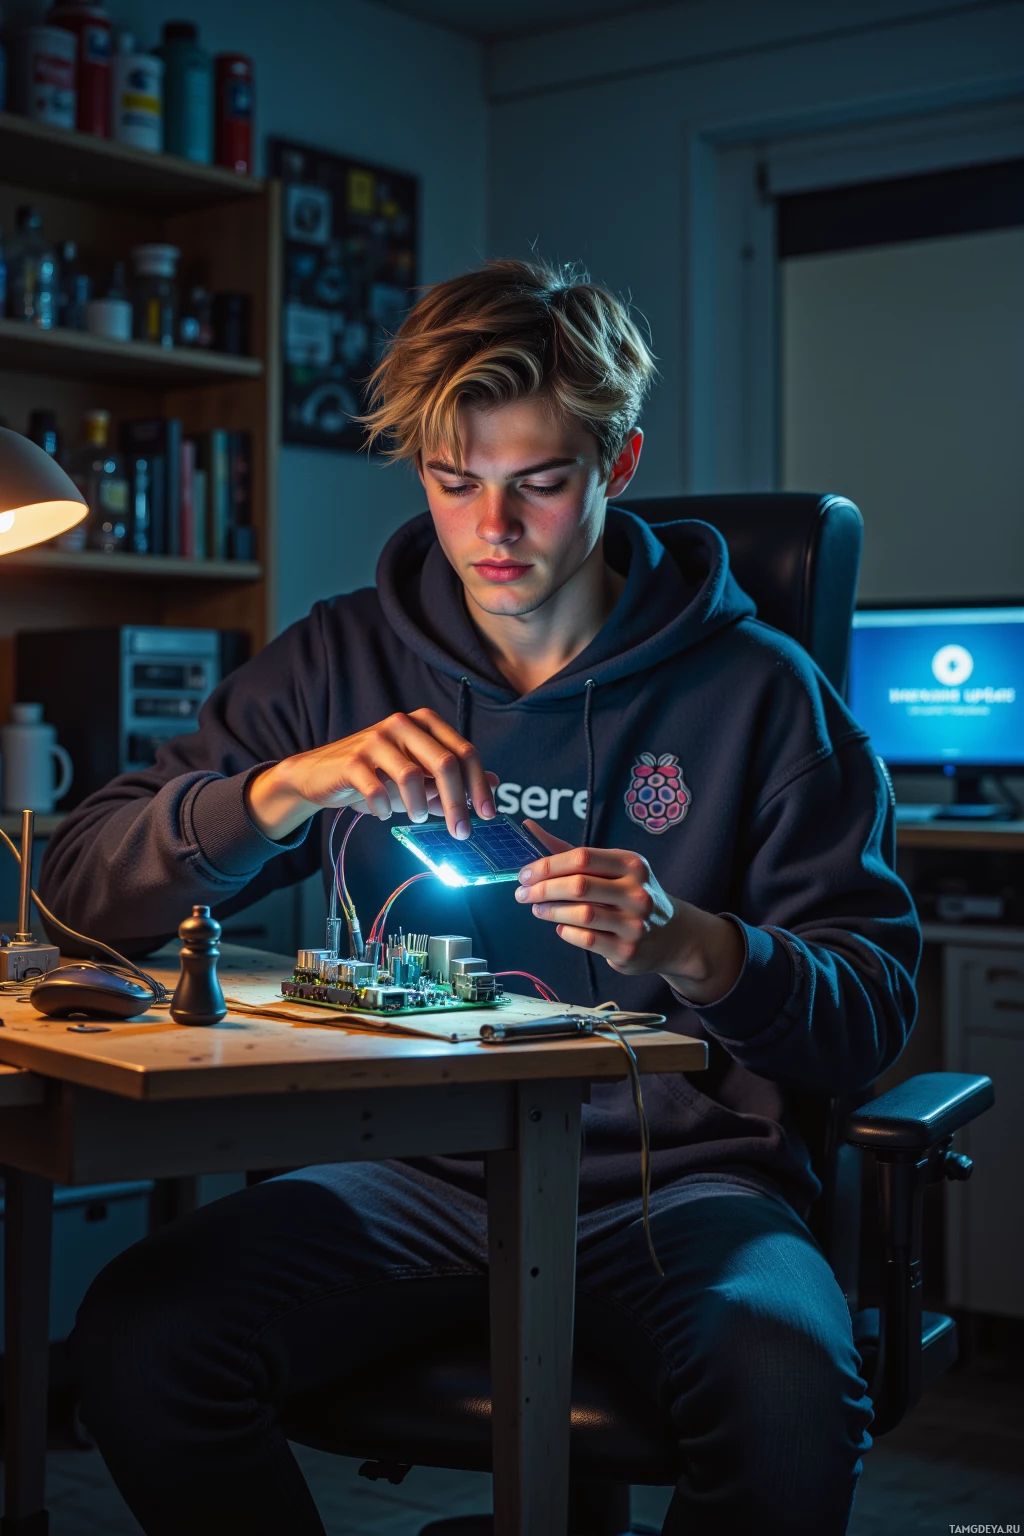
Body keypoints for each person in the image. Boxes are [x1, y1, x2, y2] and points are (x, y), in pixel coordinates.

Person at [42, 258, 920, 1536]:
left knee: (785, 1395)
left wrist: (698, 946)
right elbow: (78, 889)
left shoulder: (763, 692)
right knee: (140, 1341)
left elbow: (873, 1012)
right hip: (401, 1169)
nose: (492, 533)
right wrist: (282, 791)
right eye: (456, 485)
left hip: (678, 1186)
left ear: (617, 468)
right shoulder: (342, 658)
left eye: (539, 484)